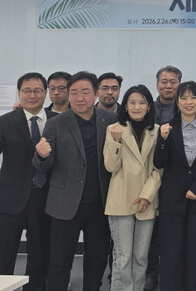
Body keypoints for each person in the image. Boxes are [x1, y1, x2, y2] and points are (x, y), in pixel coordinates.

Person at [33, 71, 117, 291]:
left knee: (97, 259)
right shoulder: (56, 123)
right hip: (64, 203)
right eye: (75, 92)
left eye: (85, 92)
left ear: (96, 93)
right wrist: (42, 155)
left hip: (100, 203)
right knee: (59, 261)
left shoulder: (110, 120)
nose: (80, 98)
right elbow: (44, 164)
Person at [153, 81, 196, 291]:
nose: (188, 102)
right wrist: (162, 140)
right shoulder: (167, 128)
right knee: (171, 253)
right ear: (177, 101)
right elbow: (159, 163)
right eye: (184, 98)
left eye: (193, 97)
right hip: (172, 199)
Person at [0, 72, 54, 290]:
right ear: (19, 93)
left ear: (45, 93)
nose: (32, 95)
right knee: (2, 256)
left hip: (45, 198)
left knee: (40, 256)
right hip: (10, 199)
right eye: (27, 91)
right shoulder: (4, 121)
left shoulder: (58, 121)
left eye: (37, 90)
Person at [103, 85, 162, 291]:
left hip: (147, 201)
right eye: (132, 102)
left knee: (141, 257)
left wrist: (147, 196)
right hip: (121, 200)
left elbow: (159, 169)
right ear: (125, 106)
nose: (137, 107)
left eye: (142, 102)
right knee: (123, 257)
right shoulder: (114, 129)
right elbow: (111, 166)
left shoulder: (157, 131)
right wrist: (116, 142)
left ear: (149, 106)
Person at [145, 64, 182, 291]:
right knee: (151, 229)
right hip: (149, 175)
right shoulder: (147, 108)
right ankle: (151, 273)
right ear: (157, 84)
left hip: (175, 177)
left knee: (172, 231)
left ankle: (171, 274)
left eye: (173, 82)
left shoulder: (186, 108)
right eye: (164, 82)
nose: (168, 86)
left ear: (179, 84)